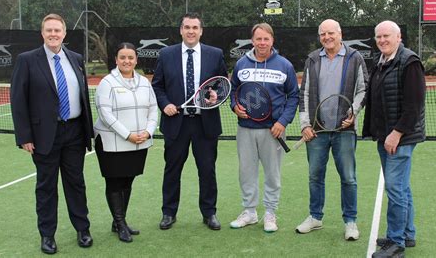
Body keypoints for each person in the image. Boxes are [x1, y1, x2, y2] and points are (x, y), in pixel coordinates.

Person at [10, 13, 94, 254]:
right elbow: (18, 100)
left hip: (75, 133)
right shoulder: (27, 60)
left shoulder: (76, 59)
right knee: (46, 187)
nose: (53, 34)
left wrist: (87, 131)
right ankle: (47, 235)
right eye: (49, 30)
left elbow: (83, 97)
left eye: (57, 30)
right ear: (42, 33)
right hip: (44, 135)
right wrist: (24, 136)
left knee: (76, 183)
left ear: (64, 33)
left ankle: (82, 229)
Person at [151, 13, 227, 231]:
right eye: (187, 27)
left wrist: (216, 96)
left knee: (207, 170)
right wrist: (165, 104)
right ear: (180, 30)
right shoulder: (166, 54)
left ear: (201, 31)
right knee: (172, 170)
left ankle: (209, 213)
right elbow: (157, 85)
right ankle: (168, 212)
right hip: (176, 123)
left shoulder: (215, 54)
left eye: (195, 27)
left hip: (205, 123)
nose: (191, 31)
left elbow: (222, 84)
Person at [295, 19, 368, 241]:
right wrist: (305, 124)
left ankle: (350, 221)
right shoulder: (312, 59)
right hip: (317, 131)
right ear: (320, 37)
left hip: (344, 131)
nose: (327, 37)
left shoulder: (355, 58)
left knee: (348, 178)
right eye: (323, 34)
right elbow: (304, 93)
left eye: (331, 33)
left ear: (340, 33)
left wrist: (354, 112)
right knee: (315, 176)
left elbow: (364, 89)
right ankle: (315, 217)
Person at [363, 21, 425, 258]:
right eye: (378, 37)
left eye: (387, 36)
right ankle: (407, 234)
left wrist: (396, 134)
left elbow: (414, 106)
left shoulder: (409, 62)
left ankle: (395, 242)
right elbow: (374, 97)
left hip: (401, 137)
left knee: (395, 188)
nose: (382, 40)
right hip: (384, 135)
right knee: (402, 187)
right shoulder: (380, 62)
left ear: (398, 37)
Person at [229, 23, 299, 233]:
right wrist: (235, 106)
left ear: (272, 40)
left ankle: (270, 213)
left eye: (265, 39)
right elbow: (233, 90)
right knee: (246, 172)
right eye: (258, 39)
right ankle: (250, 212)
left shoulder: (284, 65)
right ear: (252, 41)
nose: (262, 43)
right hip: (246, 129)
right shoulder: (241, 64)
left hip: (273, 131)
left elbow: (293, 96)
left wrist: (282, 122)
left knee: (272, 174)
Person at [94, 43, 158, 243]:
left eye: (130, 57)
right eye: (122, 57)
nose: (127, 61)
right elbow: (105, 113)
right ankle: (120, 224)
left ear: (136, 60)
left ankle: (118, 221)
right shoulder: (107, 82)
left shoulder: (144, 82)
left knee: (128, 180)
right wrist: (127, 134)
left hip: (139, 142)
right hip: (111, 142)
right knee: (115, 182)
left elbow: (153, 109)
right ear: (116, 60)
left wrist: (148, 131)